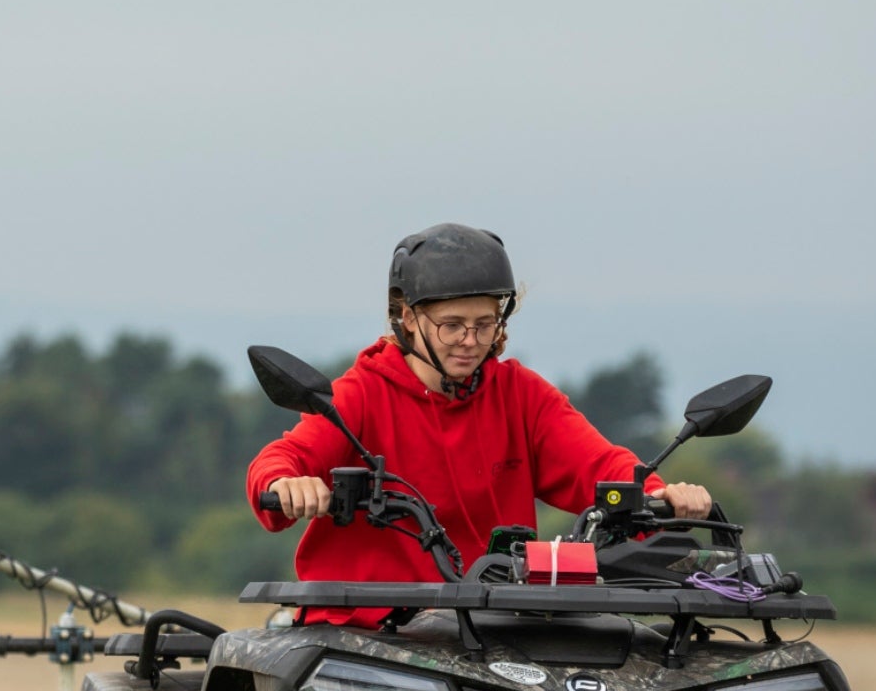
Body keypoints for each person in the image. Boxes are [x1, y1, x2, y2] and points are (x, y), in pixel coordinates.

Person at [246, 225, 713, 620]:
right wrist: (287, 485)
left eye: (484, 324)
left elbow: (598, 463)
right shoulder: (361, 393)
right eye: (452, 324)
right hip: (367, 630)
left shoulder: (520, 394)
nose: (470, 342)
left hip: (488, 627)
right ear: (407, 318)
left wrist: (655, 493)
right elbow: (280, 461)